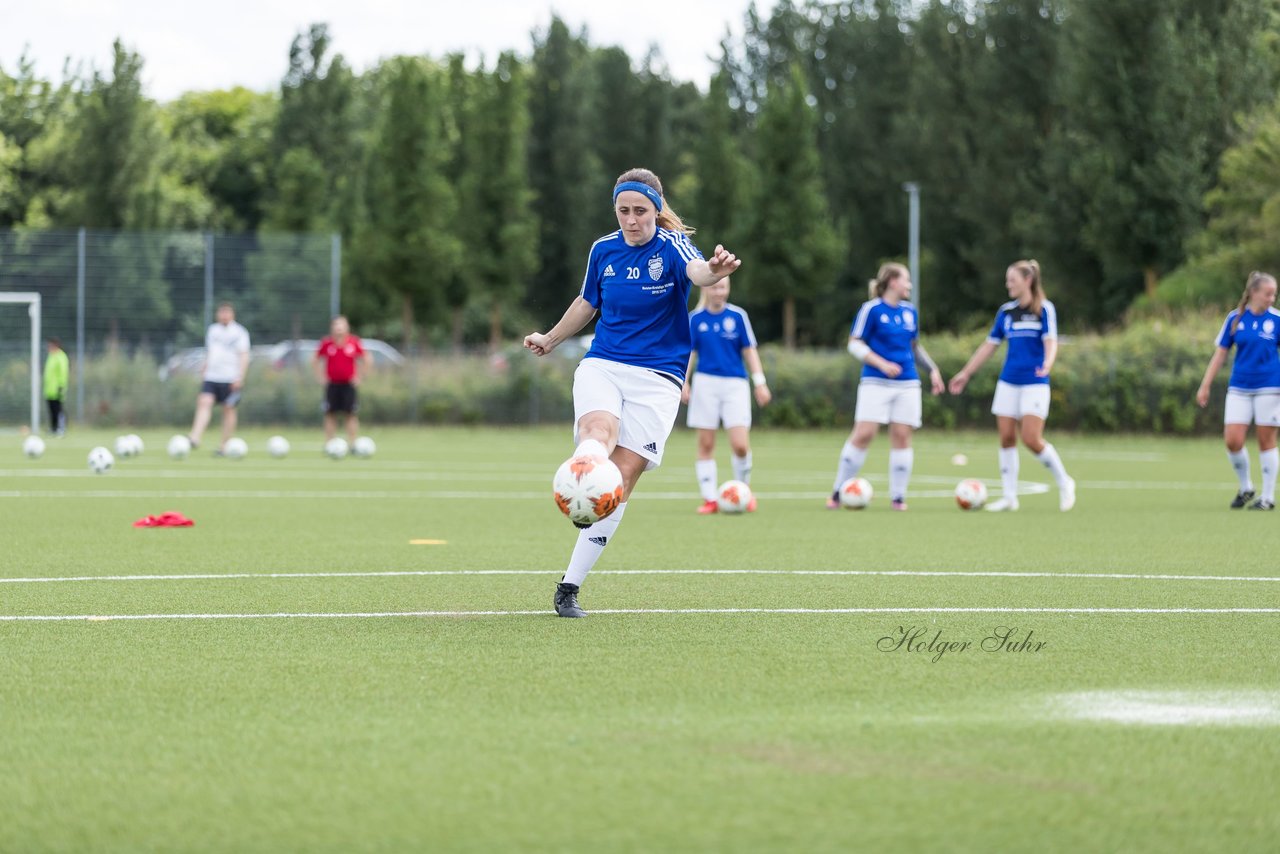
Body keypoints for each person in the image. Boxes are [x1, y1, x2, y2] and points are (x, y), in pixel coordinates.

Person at [524, 167, 740, 617]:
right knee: (598, 431)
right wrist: (550, 338)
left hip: (659, 378)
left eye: (640, 211)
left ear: (656, 211)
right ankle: (581, 474)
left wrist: (713, 271)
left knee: (620, 482)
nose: (631, 219)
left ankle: (569, 586)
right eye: (623, 210)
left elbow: (698, 272)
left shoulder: (673, 245)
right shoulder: (603, 250)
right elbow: (587, 302)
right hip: (604, 363)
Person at [948, 260, 1076, 512]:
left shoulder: (1044, 309)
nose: (1008, 285)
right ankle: (1009, 497)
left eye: (1012, 280)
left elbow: (1051, 341)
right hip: (1008, 382)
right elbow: (989, 346)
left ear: (1027, 280)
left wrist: (1048, 363)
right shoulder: (1005, 312)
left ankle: (1065, 482)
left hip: (1035, 382)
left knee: (1030, 438)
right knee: (1006, 437)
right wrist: (965, 373)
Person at [828, 262, 944, 511]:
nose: (909, 285)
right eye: (906, 280)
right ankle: (838, 491)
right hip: (875, 382)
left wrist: (932, 369)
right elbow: (854, 344)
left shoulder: (909, 312)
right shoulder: (870, 309)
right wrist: (881, 364)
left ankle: (898, 497)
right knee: (864, 434)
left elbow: (914, 346)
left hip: (908, 383)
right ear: (892, 281)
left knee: (902, 436)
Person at [681, 277, 771, 513]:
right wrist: (684, 381)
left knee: (740, 445)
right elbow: (689, 353)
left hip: (735, 385)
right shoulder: (695, 319)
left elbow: (749, 350)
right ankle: (710, 499)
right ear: (705, 288)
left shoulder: (738, 316)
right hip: (705, 384)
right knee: (706, 443)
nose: (718, 291)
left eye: (723, 287)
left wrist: (759, 382)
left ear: (728, 288)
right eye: (714, 287)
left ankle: (744, 492)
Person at [1195, 271, 1280, 510]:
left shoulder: (1277, 320)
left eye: (1274, 294)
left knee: (1266, 441)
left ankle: (1267, 497)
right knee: (1233, 440)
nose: (1272, 298)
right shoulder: (1235, 318)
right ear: (1253, 293)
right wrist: (1205, 385)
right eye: (1268, 293)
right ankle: (1246, 488)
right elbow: (1220, 354)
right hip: (1240, 387)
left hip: (1270, 388)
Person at [189, 302, 249, 454]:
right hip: (212, 376)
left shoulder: (240, 332)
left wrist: (240, 376)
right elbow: (210, 352)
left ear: (232, 314)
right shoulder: (212, 330)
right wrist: (205, 366)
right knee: (204, 402)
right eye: (221, 312)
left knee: (228, 409)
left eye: (227, 312)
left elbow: (244, 355)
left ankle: (224, 445)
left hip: (230, 377)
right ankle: (194, 437)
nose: (224, 315)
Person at [314, 316, 371, 446]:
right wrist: (320, 377)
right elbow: (315, 360)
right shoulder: (326, 343)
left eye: (341, 325)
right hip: (332, 385)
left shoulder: (353, 342)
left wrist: (360, 376)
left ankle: (353, 444)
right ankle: (329, 444)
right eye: (336, 325)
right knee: (329, 414)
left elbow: (366, 358)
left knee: (350, 414)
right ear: (332, 328)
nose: (338, 328)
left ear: (347, 327)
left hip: (348, 385)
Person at [43, 337, 69, 436]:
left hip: (57, 389)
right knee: (52, 411)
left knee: (59, 409)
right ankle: (53, 428)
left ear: (56, 345)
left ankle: (61, 428)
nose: (48, 347)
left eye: (50, 345)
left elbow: (63, 372)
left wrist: (61, 386)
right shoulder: (51, 356)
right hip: (49, 390)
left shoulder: (61, 357)